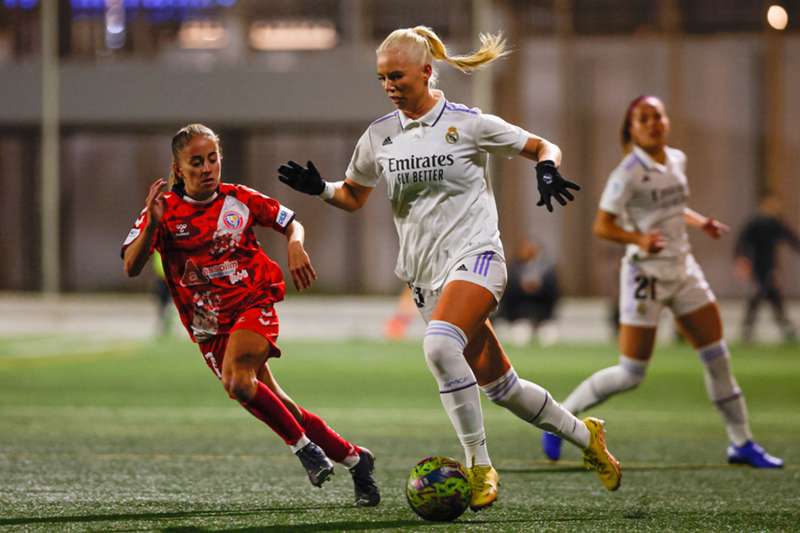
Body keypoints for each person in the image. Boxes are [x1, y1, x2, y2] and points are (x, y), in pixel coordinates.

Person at [277, 26, 621, 511]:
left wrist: (546, 168)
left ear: (426, 71)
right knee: (503, 388)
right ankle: (587, 437)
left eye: (397, 75)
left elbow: (544, 146)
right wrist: (323, 189)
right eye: (382, 78)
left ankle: (480, 465)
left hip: (477, 256)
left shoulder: (468, 123)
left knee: (440, 346)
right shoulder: (379, 136)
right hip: (424, 277)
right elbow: (354, 195)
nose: (390, 85)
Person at [121, 124, 380, 506]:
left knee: (239, 383)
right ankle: (356, 460)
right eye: (196, 162)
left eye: (213, 159)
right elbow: (131, 265)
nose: (208, 168)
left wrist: (295, 244)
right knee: (279, 405)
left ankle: (305, 450)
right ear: (178, 170)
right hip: (208, 325)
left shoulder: (237, 199)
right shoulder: (162, 213)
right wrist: (154, 225)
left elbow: (291, 221)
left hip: (253, 303)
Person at [541, 96, 784, 469]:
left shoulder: (677, 159)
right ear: (632, 129)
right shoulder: (627, 173)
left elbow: (669, 207)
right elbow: (602, 225)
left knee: (718, 357)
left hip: (684, 271)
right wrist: (639, 240)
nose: (654, 123)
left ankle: (741, 443)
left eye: (658, 116)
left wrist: (700, 222)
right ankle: (561, 419)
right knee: (631, 372)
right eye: (644, 118)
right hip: (645, 275)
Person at [734, 194, 800, 343]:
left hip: (770, 265)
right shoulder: (755, 223)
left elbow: (791, 238)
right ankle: (782, 328)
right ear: (764, 204)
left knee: (771, 296)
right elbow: (742, 242)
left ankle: (752, 329)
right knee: (763, 294)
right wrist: (742, 260)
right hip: (759, 265)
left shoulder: (775, 223)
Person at [494, 238, 561, 345]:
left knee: (549, 339)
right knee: (519, 337)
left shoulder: (547, 270)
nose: (529, 251)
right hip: (519, 317)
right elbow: (507, 295)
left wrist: (540, 287)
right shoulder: (513, 269)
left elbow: (554, 295)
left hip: (542, 317)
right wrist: (521, 287)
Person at [152, 250, 173, 337]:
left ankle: (171, 324)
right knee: (162, 303)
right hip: (162, 278)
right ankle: (163, 325)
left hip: (172, 277)